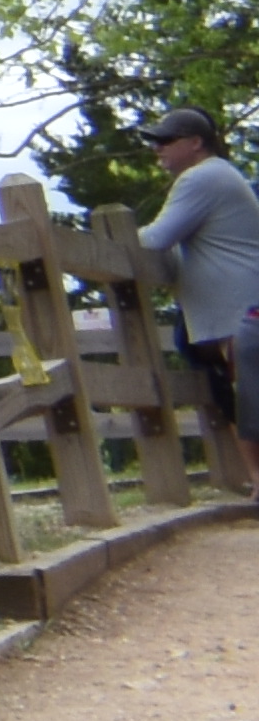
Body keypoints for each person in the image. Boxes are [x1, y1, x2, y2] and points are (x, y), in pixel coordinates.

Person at [142, 107, 259, 503]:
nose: (157, 148)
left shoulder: (202, 176)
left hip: (238, 307)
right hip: (230, 309)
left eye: (166, 140)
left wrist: (106, 240)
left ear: (195, 143)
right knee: (236, 394)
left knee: (246, 395)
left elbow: (155, 240)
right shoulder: (219, 176)